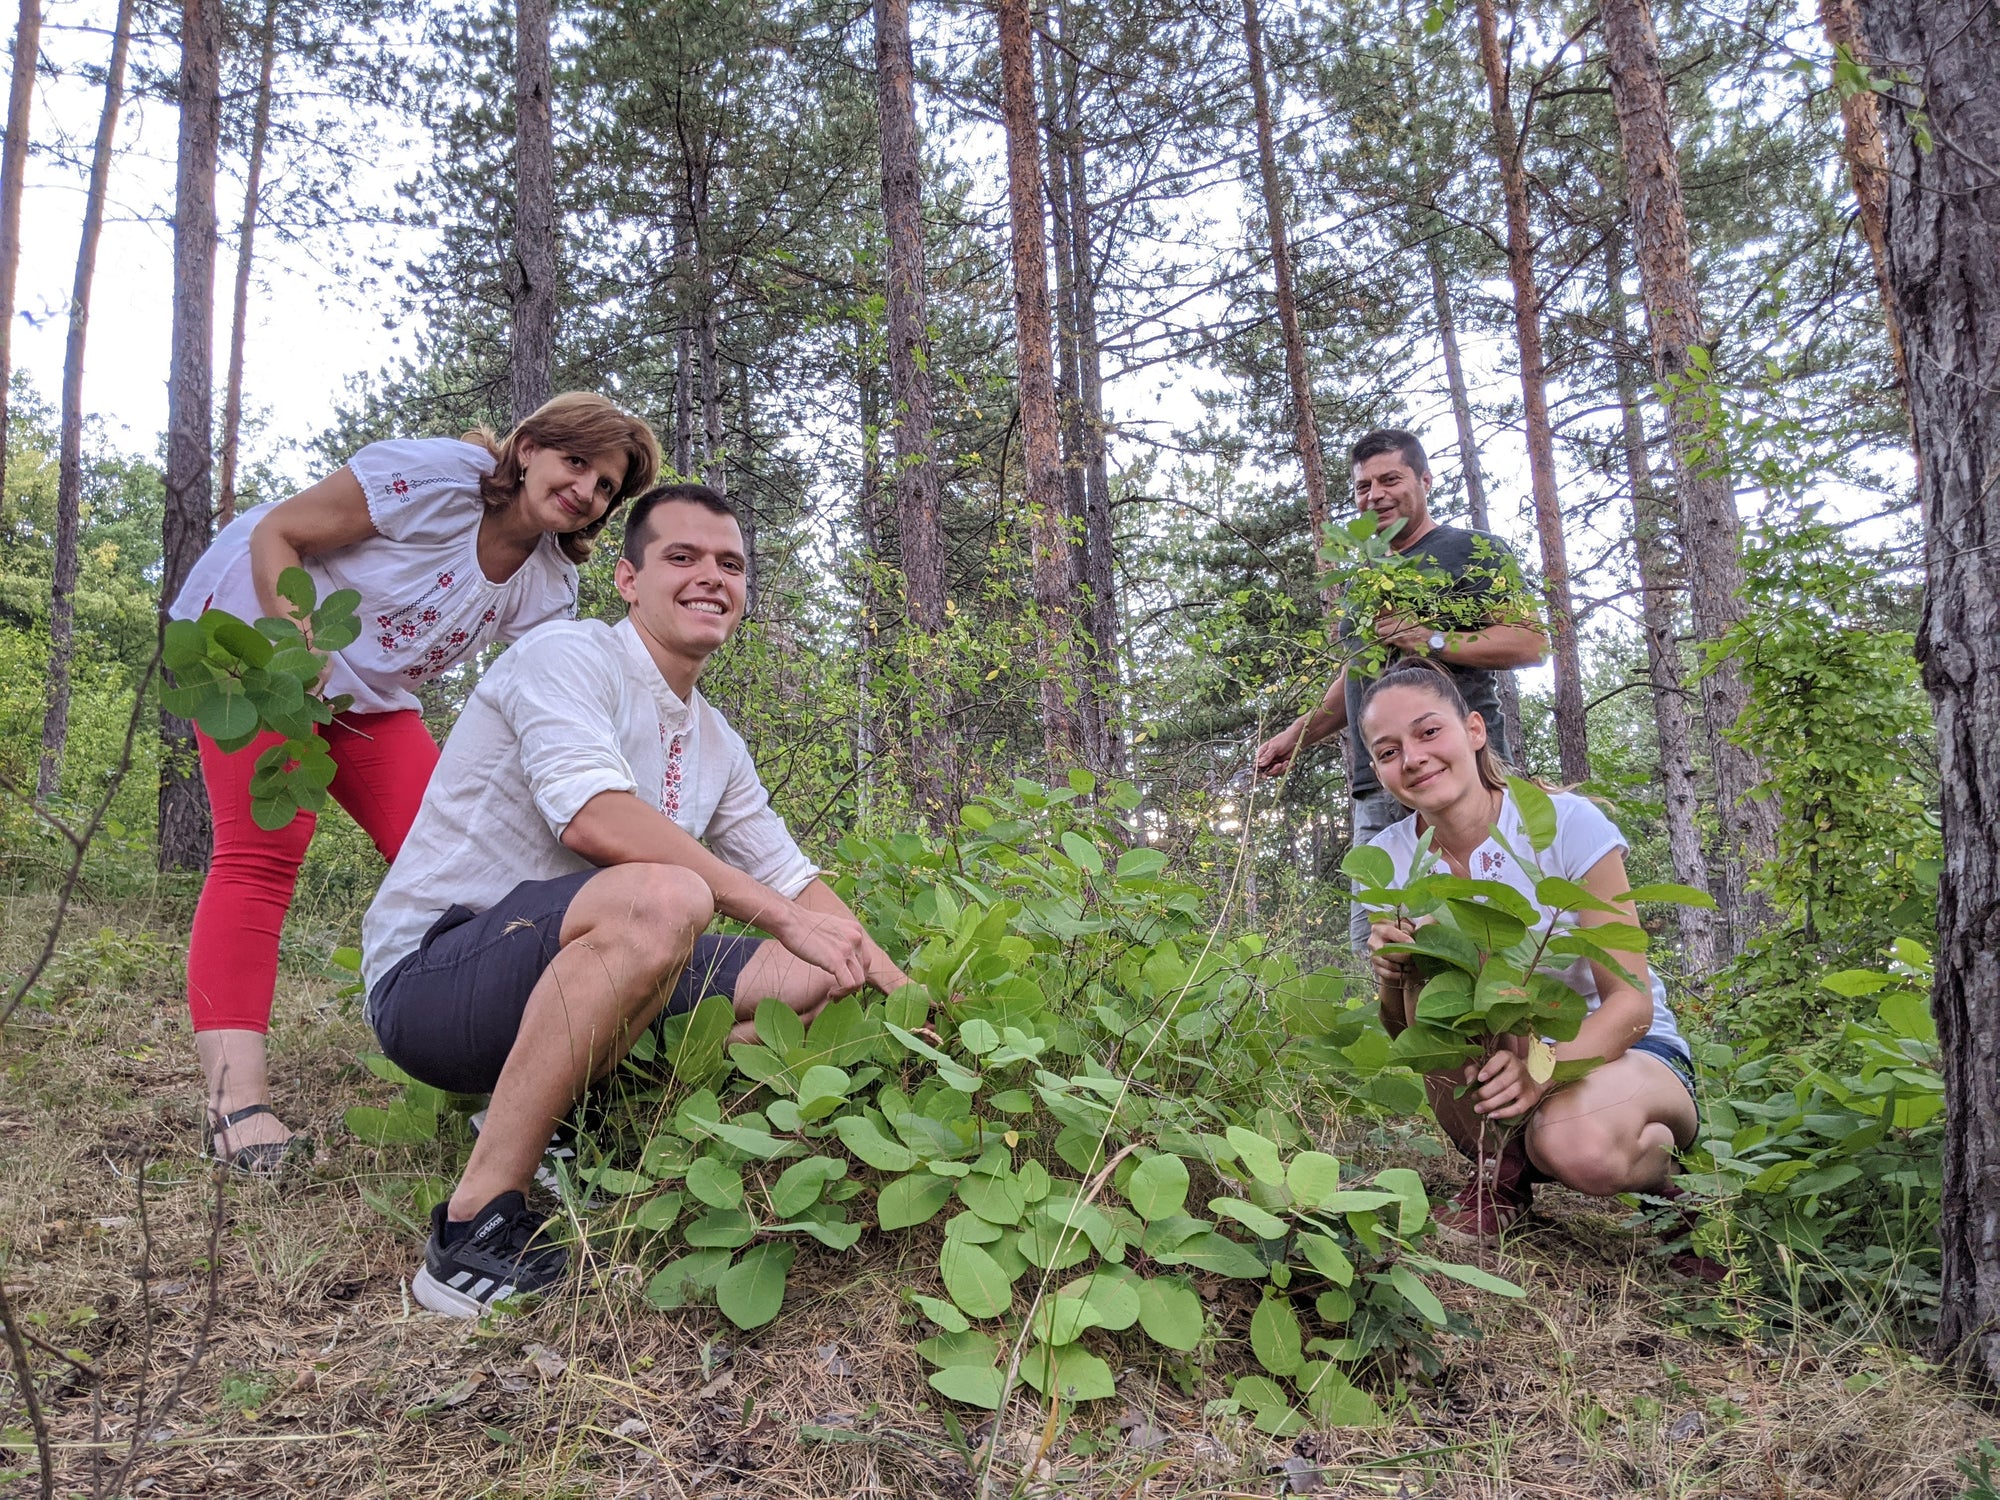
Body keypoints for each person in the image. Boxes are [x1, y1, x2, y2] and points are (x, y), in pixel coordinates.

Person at [359, 482, 911, 1318]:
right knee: (666, 897)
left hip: (574, 961)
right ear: (627, 579)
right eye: (681, 558)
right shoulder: (568, 658)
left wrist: (900, 996)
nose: (709, 578)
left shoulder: (716, 738)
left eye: (730, 564)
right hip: (437, 978)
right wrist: (785, 918)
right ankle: (471, 1229)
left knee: (816, 979)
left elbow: (797, 881)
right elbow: (591, 818)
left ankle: (563, 1122)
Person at [168, 393, 662, 1173]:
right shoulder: (435, 481)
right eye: (577, 463)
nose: (585, 492)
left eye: (605, 486)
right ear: (528, 447)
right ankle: (237, 1109)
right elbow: (279, 532)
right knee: (263, 855)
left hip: (371, 693)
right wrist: (295, 647)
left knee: (458, 863)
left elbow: (538, 706)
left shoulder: (547, 587)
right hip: (253, 643)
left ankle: (513, 1087)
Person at [1356, 658, 1699, 1238]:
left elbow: (1631, 1005)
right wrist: (1390, 975)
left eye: (1428, 731)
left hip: (1621, 1052)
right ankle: (1500, 1172)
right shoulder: (1390, 858)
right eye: (1389, 751)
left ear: (1474, 730)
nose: (1412, 758)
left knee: (1578, 1147)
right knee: (1430, 965)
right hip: (1498, 1064)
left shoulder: (1565, 823)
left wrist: (1542, 1073)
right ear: (1378, 769)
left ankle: (1675, 1188)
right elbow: (1408, 1031)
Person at [1253, 429, 1547, 950]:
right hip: (1380, 784)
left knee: (1483, 932)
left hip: (1459, 772)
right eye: (1363, 487)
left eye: (1390, 479)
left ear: (1425, 480)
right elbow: (1358, 674)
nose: (1376, 495)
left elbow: (1528, 642)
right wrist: (1295, 737)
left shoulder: (1472, 550)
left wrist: (1428, 637)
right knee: (1383, 945)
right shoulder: (1367, 575)